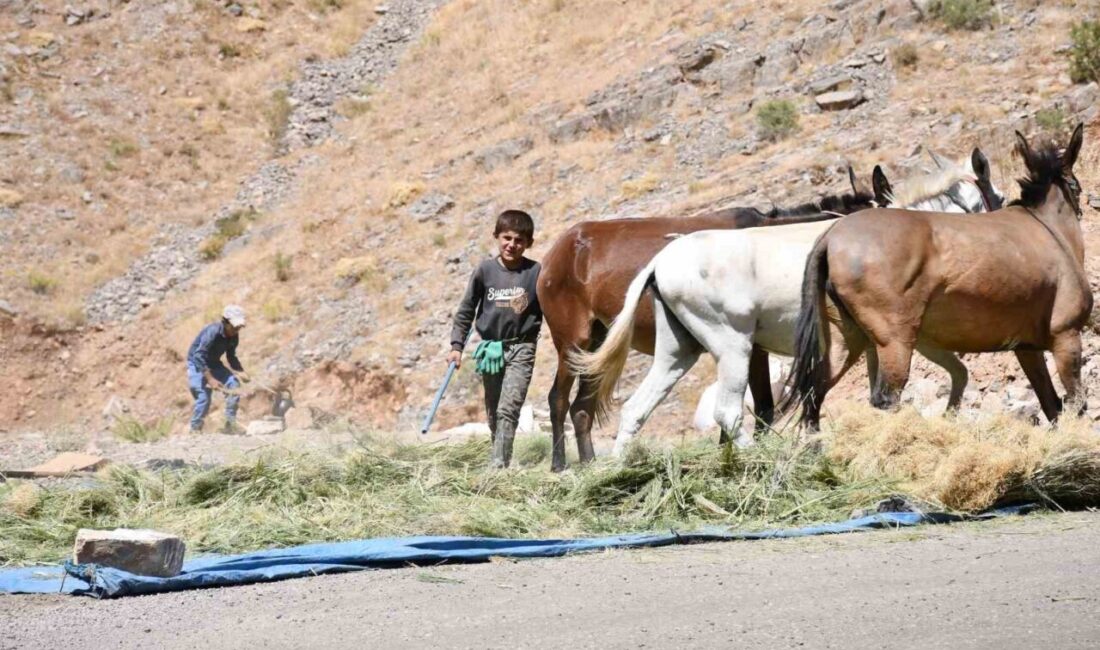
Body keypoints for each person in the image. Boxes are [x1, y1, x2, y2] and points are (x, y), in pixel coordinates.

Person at [448, 210, 542, 468]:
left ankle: (497, 468)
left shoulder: (536, 273)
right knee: (493, 412)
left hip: (522, 347)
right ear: (497, 237)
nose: (512, 244)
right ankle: (500, 457)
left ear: (529, 243)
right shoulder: (485, 270)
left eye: (519, 240)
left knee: (507, 409)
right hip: (490, 350)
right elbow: (467, 310)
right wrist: (456, 346)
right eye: (507, 238)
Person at [187, 305, 251, 434]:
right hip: (197, 363)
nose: (237, 329)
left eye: (239, 327)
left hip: (214, 363)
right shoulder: (213, 331)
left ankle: (229, 425)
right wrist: (210, 379)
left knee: (234, 385)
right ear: (225, 322)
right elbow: (199, 355)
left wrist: (240, 371)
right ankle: (195, 429)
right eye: (234, 326)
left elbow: (231, 356)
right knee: (204, 398)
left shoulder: (234, 335)